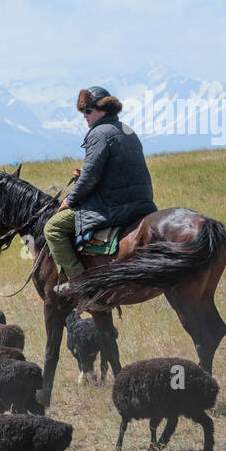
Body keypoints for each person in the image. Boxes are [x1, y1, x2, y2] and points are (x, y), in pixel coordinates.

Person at [46, 86, 157, 297]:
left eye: (88, 111)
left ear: (102, 110)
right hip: (142, 204)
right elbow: (117, 171)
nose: (84, 116)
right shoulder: (126, 130)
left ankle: (79, 283)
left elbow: (90, 178)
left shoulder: (98, 133)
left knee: (53, 228)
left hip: (114, 206)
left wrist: (70, 200)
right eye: (83, 112)